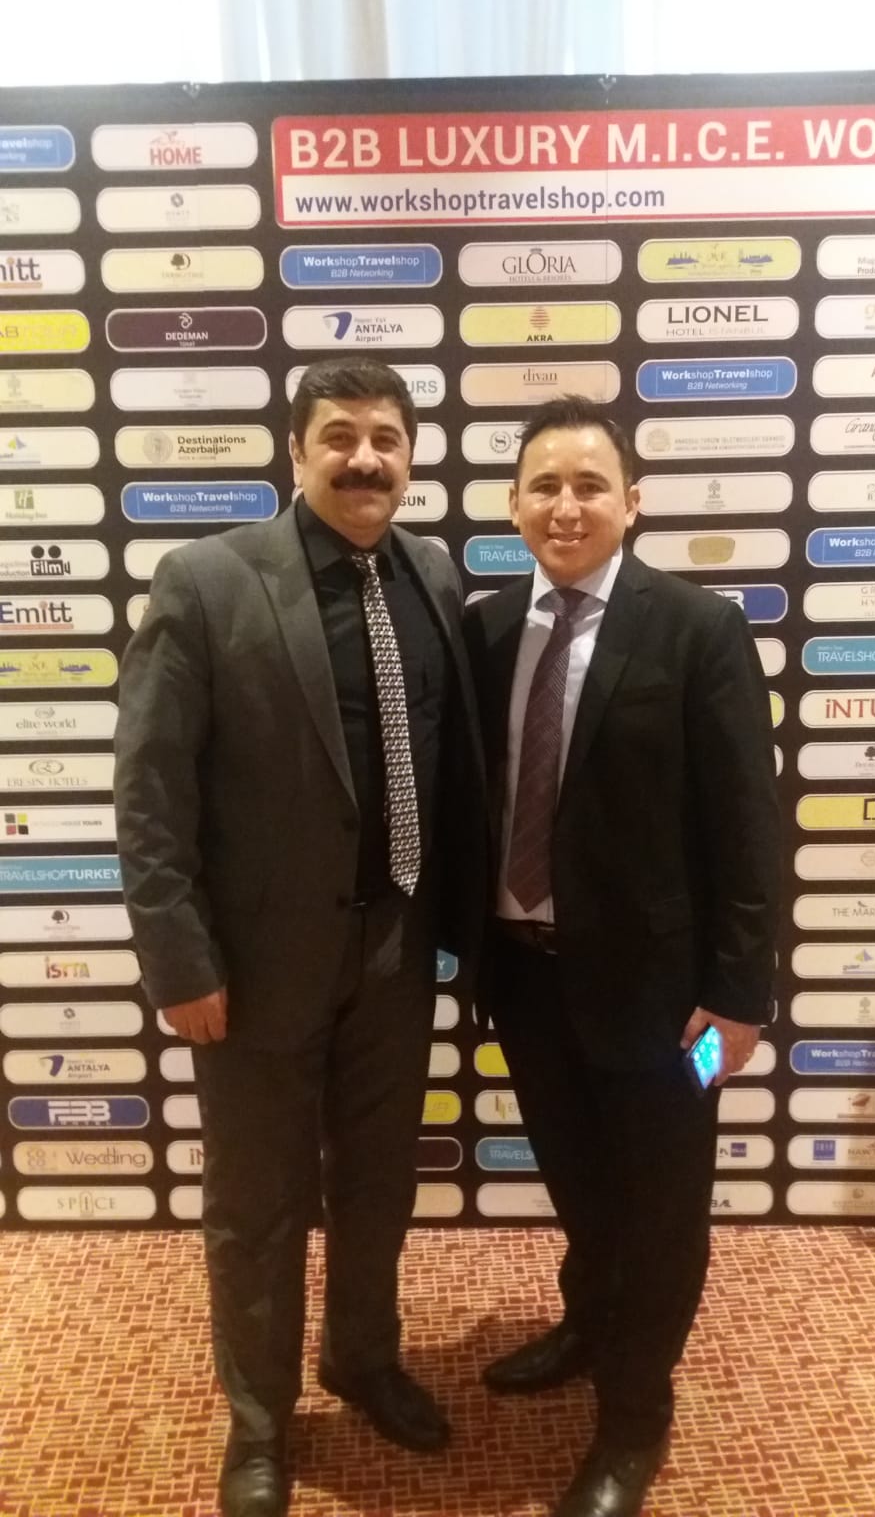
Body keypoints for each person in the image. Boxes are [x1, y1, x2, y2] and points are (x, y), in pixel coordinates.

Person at [114, 357, 484, 1517]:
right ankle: (262, 1420)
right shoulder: (207, 581)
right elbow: (151, 790)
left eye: (386, 438)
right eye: (340, 436)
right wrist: (180, 959)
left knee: (378, 1185)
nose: (364, 458)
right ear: (297, 451)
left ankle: (362, 1357)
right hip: (254, 967)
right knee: (257, 1206)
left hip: (397, 952)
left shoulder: (433, 572)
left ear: (410, 454)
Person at [464, 396, 780, 1517]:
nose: (567, 505)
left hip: (675, 1007)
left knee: (665, 1207)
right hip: (526, 979)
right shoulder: (485, 630)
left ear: (632, 503)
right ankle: (590, 1326)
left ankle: (635, 1415)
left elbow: (748, 825)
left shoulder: (698, 629)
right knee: (581, 1183)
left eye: (590, 485)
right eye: (544, 485)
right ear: (514, 504)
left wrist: (740, 999)